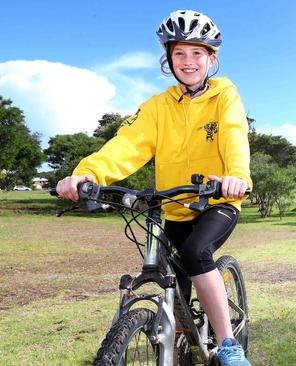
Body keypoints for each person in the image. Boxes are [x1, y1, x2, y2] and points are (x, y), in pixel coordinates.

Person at [56, 10, 252, 366]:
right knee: (173, 276)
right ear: (168, 59)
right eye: (180, 53)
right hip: (173, 206)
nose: (188, 61)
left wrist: (236, 175)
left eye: (198, 53)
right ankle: (179, 341)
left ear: (212, 58)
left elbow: (235, 135)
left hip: (218, 200)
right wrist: (87, 174)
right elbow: (127, 143)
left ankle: (228, 344)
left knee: (196, 253)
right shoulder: (158, 106)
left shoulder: (225, 96)